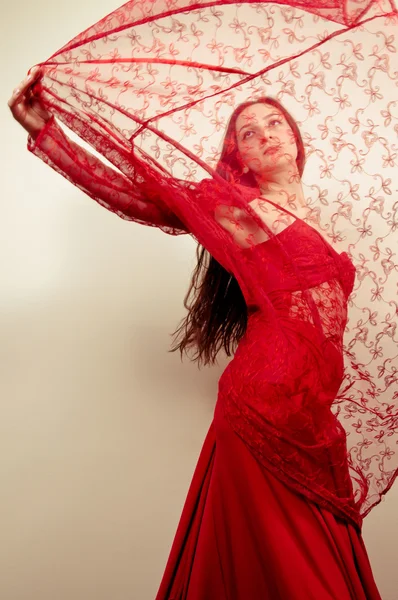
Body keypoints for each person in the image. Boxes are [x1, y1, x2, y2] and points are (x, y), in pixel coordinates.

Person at [9, 67, 383, 599]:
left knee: (291, 565)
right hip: (265, 404)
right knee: (299, 573)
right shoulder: (238, 212)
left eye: (275, 123)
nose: (266, 134)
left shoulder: (316, 217)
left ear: (298, 140)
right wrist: (47, 130)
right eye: (248, 133)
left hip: (312, 412)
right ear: (240, 158)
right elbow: (137, 194)